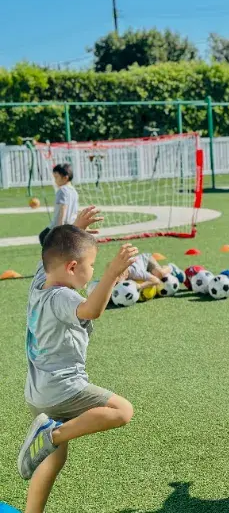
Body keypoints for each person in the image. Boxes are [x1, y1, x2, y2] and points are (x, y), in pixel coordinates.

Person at [19, 206, 139, 513]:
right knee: (123, 410)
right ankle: (51, 434)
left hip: (37, 392)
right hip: (63, 388)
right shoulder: (63, 296)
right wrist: (112, 273)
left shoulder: (40, 281)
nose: (92, 272)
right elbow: (91, 310)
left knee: (51, 457)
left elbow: (56, 249)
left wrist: (75, 227)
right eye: (91, 266)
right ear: (72, 267)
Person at [38, 163, 79, 247]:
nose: (55, 180)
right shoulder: (74, 191)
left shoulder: (62, 190)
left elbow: (63, 208)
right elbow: (75, 210)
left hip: (58, 226)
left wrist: (60, 227)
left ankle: (51, 259)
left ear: (65, 178)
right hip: (71, 225)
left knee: (43, 236)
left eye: (56, 177)